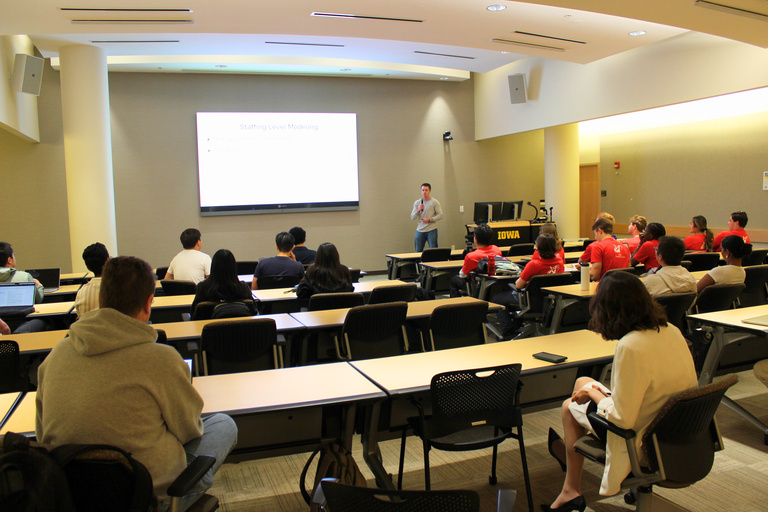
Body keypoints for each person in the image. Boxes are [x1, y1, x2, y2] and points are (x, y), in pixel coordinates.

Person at [35, 256, 237, 511]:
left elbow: (43, 435)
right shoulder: (161, 359)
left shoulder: (56, 356)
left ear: (102, 297)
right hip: (147, 497)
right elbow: (189, 430)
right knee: (222, 424)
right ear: (147, 303)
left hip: (73, 495)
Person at [543, 271, 697, 511]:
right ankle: (569, 462)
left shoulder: (631, 346)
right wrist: (594, 392)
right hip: (676, 430)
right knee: (583, 381)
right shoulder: (671, 330)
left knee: (569, 406)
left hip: (643, 441)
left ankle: (571, 488)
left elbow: (623, 420)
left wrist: (595, 395)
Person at [492, 234, 564, 337]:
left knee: (496, 298)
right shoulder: (559, 262)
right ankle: (516, 326)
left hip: (531, 301)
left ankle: (508, 330)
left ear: (538, 248)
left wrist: (529, 283)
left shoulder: (534, 264)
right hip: (551, 302)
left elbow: (518, 285)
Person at [191, 249, 255, 315]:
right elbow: (254, 311)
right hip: (240, 325)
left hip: (208, 325)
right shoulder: (242, 288)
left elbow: (194, 314)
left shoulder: (203, 288)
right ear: (234, 267)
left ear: (213, 267)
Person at [449, 223, 500, 298]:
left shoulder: (471, 256)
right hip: (492, 284)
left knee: (454, 280)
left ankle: (455, 305)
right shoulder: (496, 250)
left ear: (475, 238)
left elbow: (463, 275)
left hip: (475, 286)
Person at [73, 242, 110, 317]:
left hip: (85, 328)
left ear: (88, 268)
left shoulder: (81, 292)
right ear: (108, 261)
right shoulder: (118, 289)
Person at [410, 183, 444, 252]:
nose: (424, 192)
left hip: (431, 229)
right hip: (420, 230)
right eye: (423, 190)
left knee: (433, 252)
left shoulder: (434, 202)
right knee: (418, 251)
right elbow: (412, 217)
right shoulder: (417, 203)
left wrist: (430, 220)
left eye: (426, 190)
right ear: (421, 191)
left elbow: (440, 215)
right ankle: (419, 262)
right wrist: (418, 210)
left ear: (429, 191)